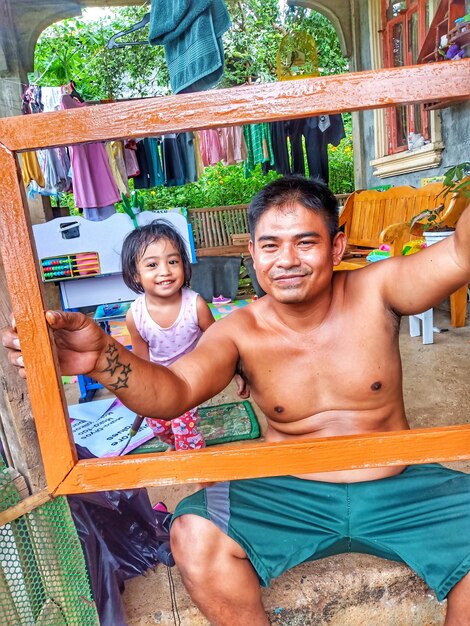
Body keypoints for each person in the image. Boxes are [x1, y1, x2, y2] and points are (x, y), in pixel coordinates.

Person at [2, 176, 470, 626]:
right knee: (193, 534)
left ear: (337, 246)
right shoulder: (238, 330)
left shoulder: (378, 289)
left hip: (403, 486)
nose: (286, 259)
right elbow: (174, 391)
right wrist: (102, 357)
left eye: (305, 242)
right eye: (270, 245)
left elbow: (459, 251)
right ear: (252, 252)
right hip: (289, 493)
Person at [121, 219, 214, 450]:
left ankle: (197, 464)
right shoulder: (136, 315)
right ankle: (174, 442)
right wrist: (143, 392)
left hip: (192, 378)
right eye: (152, 265)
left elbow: (218, 340)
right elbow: (142, 360)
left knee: (184, 427)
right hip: (159, 379)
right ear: (135, 274)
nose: (165, 271)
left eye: (173, 261)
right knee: (159, 425)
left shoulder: (196, 305)